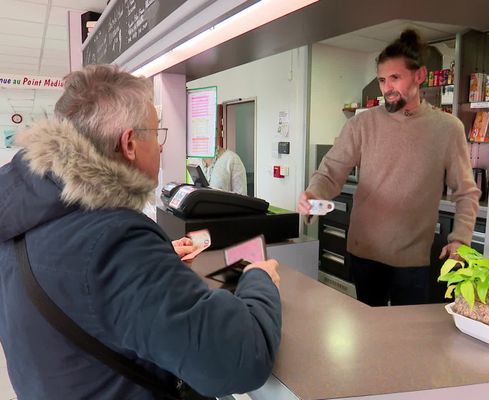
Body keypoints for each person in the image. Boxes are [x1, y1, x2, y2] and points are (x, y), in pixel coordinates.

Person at [0, 64, 281, 399]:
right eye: (156, 133)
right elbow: (238, 361)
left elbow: (82, 291)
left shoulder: (21, 214)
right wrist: (257, 279)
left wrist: (157, 264)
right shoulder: (114, 241)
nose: (161, 147)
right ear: (129, 143)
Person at [298, 29, 480, 307]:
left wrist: (460, 239)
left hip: (412, 259)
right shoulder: (361, 124)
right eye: (382, 80)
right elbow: (330, 172)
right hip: (365, 252)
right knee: (368, 333)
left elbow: (466, 193)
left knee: (405, 339)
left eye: (395, 78)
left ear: (419, 76)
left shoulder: (446, 129)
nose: (387, 88)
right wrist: (313, 195)